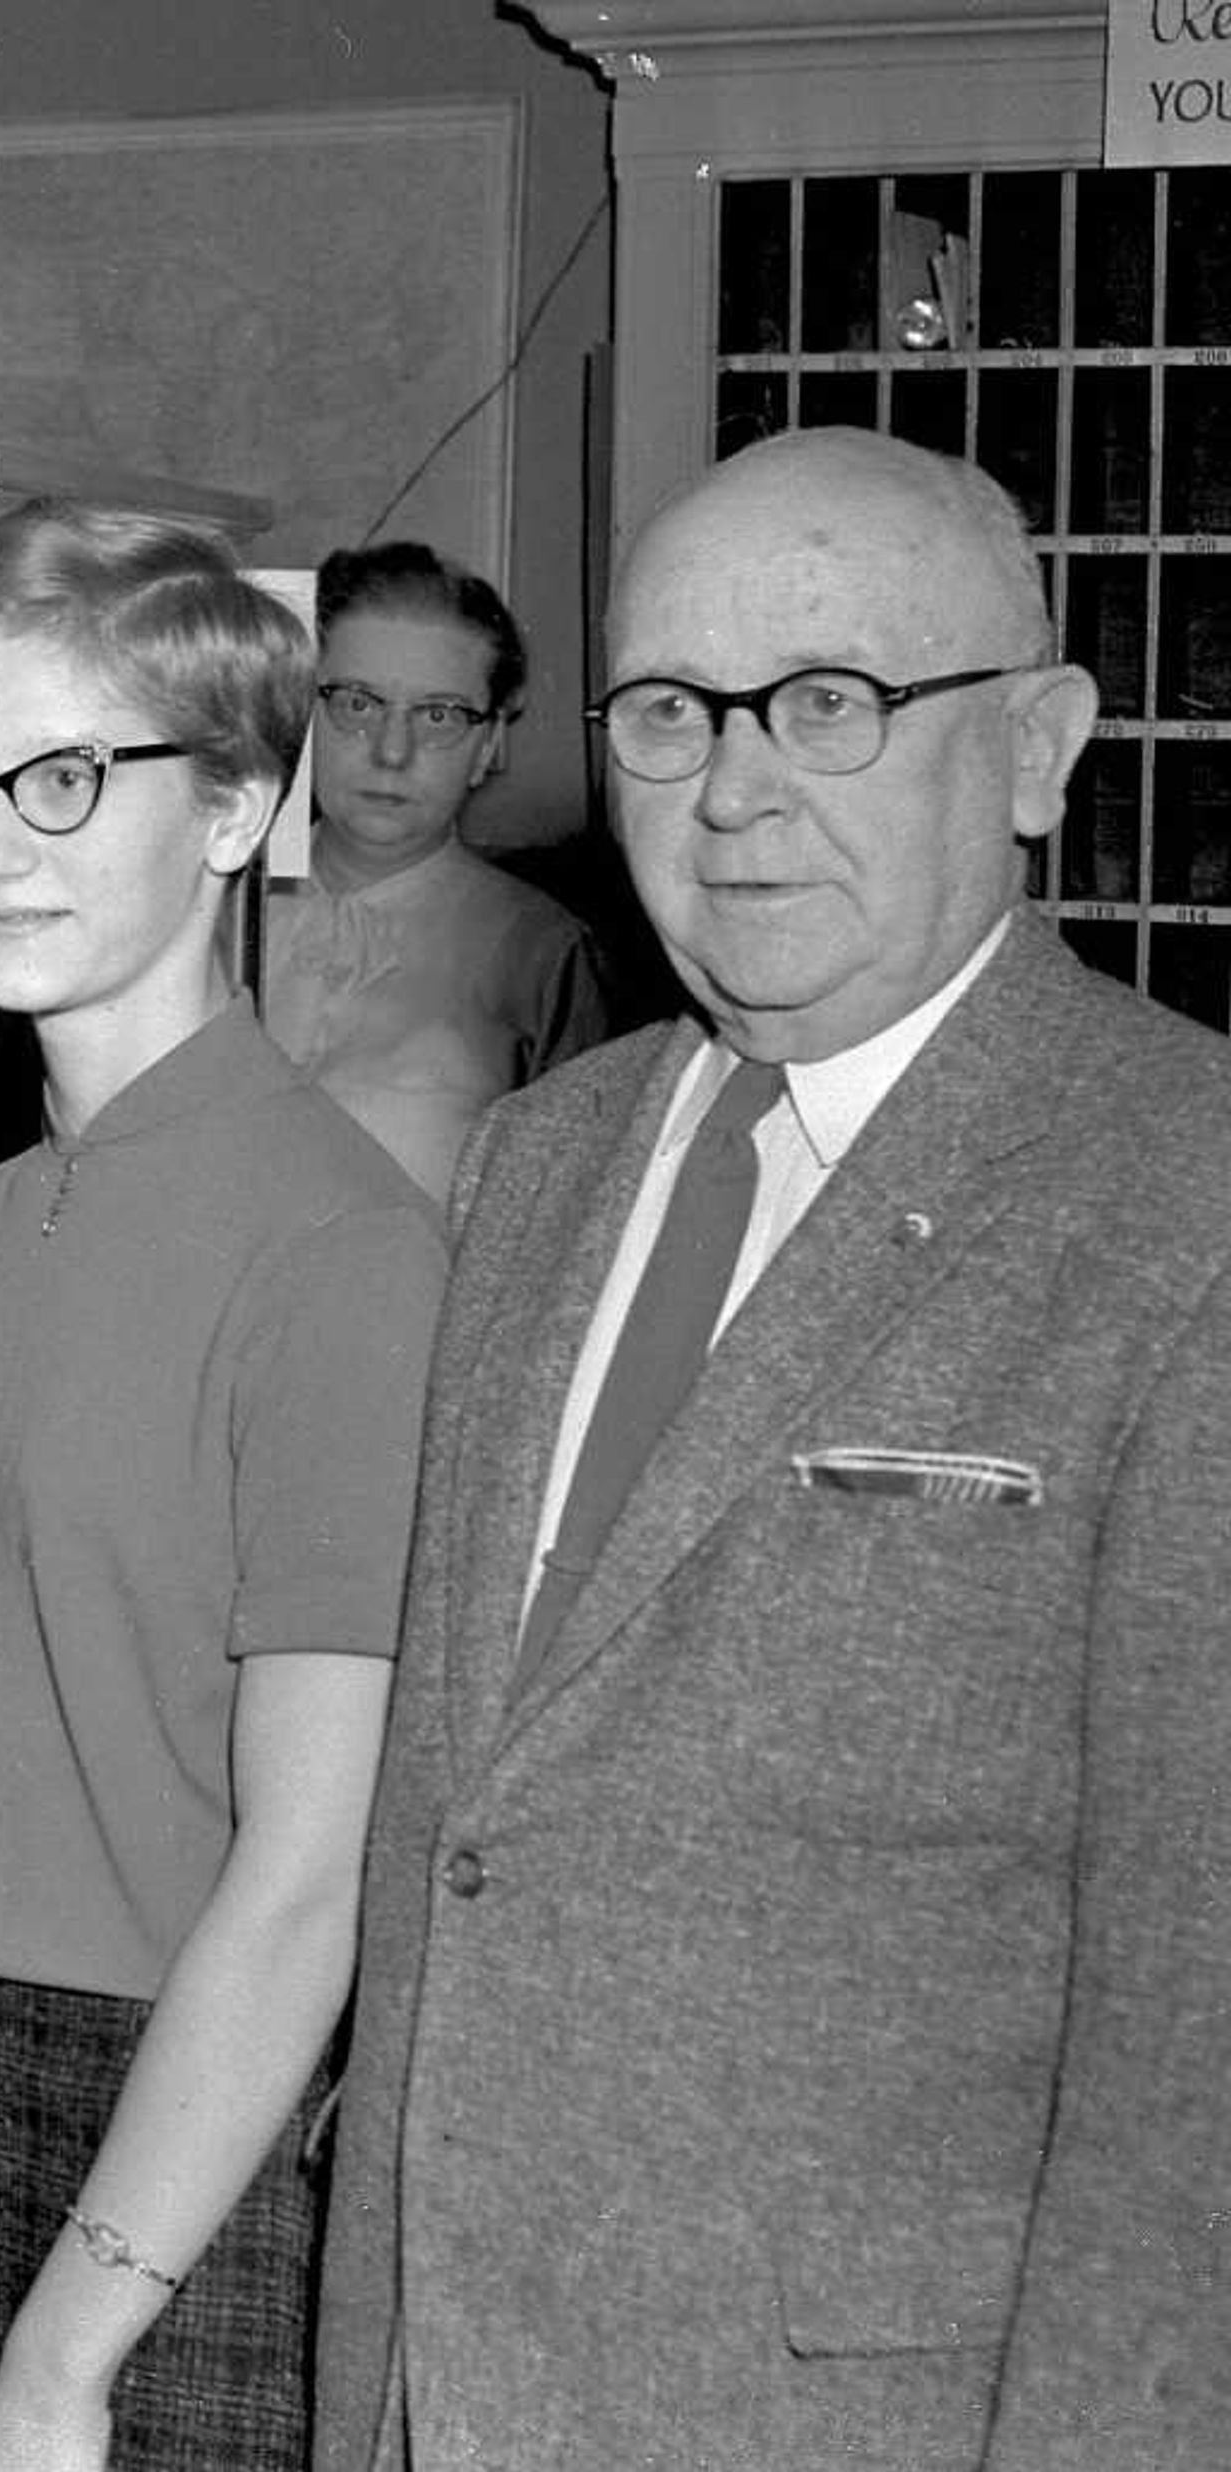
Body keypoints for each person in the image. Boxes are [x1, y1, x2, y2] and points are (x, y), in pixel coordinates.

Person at [315, 427, 1231, 2469]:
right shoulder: (535, 1163)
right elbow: (453, 1847)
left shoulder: (1184, 1203)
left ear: (1036, 747)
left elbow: (1196, 2068)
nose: (732, 788)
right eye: (668, 712)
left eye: (830, 703)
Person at [0, 501, 443, 2472]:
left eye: (64, 777)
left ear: (233, 808)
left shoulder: (339, 1254)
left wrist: (63, 2367)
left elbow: (307, 1889)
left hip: (188, 2166)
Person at [259, 541, 607, 1197]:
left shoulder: (543, 955)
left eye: (440, 715)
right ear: (304, 714)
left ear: (489, 745)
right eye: (358, 704)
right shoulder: (212, 912)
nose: (393, 751)